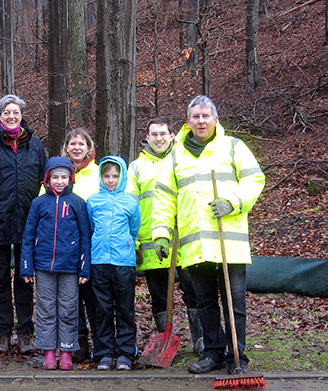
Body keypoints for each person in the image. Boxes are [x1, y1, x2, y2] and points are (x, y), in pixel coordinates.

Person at [152, 95, 265, 375]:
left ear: (215, 119)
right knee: (204, 304)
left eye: (205, 116)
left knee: (233, 304)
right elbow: (164, 198)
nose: (201, 121)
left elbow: (254, 179)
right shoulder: (176, 155)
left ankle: (237, 356)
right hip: (195, 244)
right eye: (196, 117)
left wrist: (233, 201)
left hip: (229, 243)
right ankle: (213, 353)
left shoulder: (232, 147)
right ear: (188, 121)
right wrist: (161, 234)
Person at [0, 94, 47, 354]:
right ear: (0, 115)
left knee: (25, 279)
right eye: (7, 112)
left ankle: (26, 332)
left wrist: (43, 223)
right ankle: (2, 332)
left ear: (21, 115)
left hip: (29, 224)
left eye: (15, 112)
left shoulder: (35, 145)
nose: (11, 116)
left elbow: (44, 185)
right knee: (0, 280)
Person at [126, 117, 204, 355]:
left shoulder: (184, 161)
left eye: (163, 134)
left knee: (195, 293)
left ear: (172, 136)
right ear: (147, 138)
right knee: (159, 296)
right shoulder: (137, 167)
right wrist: (136, 241)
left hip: (186, 242)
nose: (159, 139)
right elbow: (131, 207)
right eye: (154, 134)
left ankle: (201, 339)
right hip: (151, 245)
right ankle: (165, 338)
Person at [20, 157, 92, 370]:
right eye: (55, 177)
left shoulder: (77, 203)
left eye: (64, 177)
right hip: (44, 267)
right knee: (46, 309)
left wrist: (84, 267)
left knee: (69, 309)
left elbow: (85, 236)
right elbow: (28, 235)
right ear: (47, 179)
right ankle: (48, 352)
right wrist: (26, 266)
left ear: (70, 179)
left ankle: (67, 351)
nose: (59, 181)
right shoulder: (39, 203)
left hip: (70, 268)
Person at [87, 156, 141, 371]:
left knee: (125, 308)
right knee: (102, 308)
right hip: (99, 260)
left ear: (123, 177)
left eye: (115, 176)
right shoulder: (93, 201)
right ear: (101, 176)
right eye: (107, 176)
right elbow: (91, 226)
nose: (111, 180)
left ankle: (126, 351)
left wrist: (128, 245)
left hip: (123, 261)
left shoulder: (130, 202)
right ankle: (104, 352)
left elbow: (134, 228)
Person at [60, 128, 100, 362]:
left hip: (93, 245)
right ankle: (78, 343)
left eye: (81, 144)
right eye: (72, 143)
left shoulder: (98, 173)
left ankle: (101, 342)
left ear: (88, 147)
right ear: (66, 147)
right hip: (64, 246)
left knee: (93, 296)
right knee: (70, 299)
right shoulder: (57, 172)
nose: (76, 147)